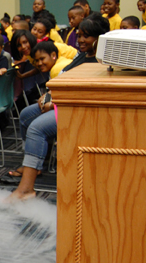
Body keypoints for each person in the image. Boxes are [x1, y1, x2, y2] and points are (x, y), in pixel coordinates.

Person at [6, 13, 110, 200]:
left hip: (77, 108)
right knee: (26, 115)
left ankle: (26, 189)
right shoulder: (83, 55)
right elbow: (63, 80)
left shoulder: (100, 62)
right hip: (61, 100)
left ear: (99, 38)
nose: (80, 40)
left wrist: (53, 100)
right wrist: (48, 95)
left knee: (36, 128)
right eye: (79, 35)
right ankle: (36, 163)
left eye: (86, 36)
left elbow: (86, 93)